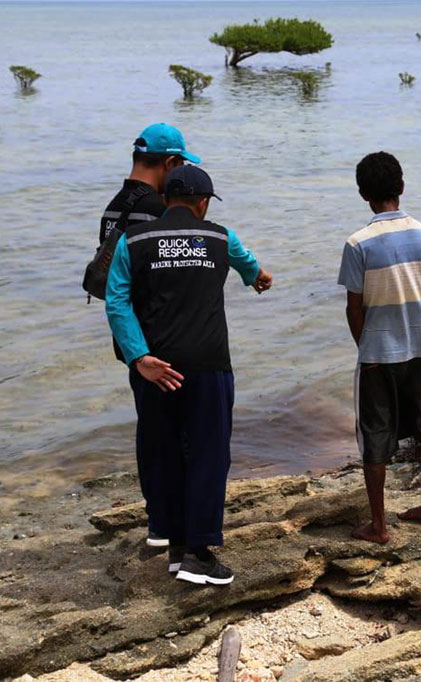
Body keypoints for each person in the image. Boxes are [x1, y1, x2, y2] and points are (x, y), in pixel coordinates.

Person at [105, 165, 272, 585]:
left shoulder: (132, 240)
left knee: (163, 453)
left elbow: (116, 303)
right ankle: (199, 554)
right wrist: (258, 277)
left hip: (156, 369)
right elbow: (250, 266)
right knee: (208, 454)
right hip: (208, 364)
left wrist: (139, 358)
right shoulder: (218, 236)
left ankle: (174, 543)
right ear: (202, 204)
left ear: (165, 201)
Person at [100, 122, 200, 548]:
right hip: (163, 339)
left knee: (151, 428)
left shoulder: (113, 208)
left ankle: (157, 518)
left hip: (131, 340)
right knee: (182, 432)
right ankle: (174, 523)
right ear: (171, 163)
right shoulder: (158, 210)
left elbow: (116, 285)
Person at [339, 151, 421, 545]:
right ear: (401, 187)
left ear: (363, 194)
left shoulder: (358, 244)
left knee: (375, 435)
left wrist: (367, 347)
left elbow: (354, 307)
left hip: (378, 353)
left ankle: (379, 525)